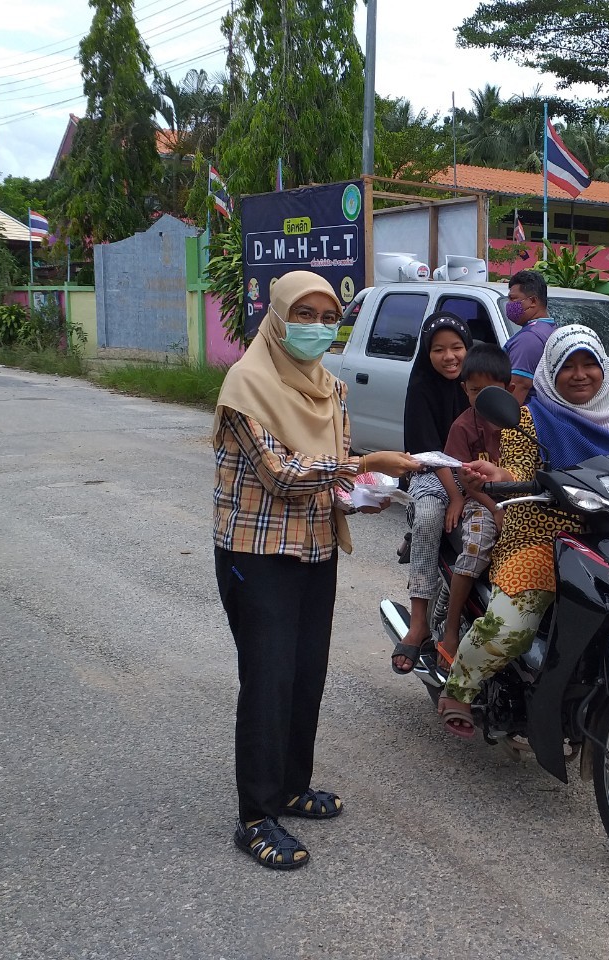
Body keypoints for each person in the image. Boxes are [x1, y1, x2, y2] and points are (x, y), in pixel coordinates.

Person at [213, 270, 418, 870]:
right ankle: (254, 815)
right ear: (277, 316)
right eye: (303, 314)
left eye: (328, 316)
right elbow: (282, 473)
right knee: (268, 678)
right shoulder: (246, 384)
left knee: (307, 672)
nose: (317, 327)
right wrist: (365, 462)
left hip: (316, 548)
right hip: (258, 553)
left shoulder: (328, 386)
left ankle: (290, 786)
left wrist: (363, 489)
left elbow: (328, 477)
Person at [438, 325, 609, 737]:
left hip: (607, 535)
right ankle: (458, 687)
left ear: (604, 370)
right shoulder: (529, 418)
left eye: (590, 364)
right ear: (551, 371)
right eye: (568, 366)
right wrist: (499, 476)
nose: (580, 375)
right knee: (509, 629)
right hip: (538, 533)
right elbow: (516, 469)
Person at [391, 312, 473, 673]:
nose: (449, 356)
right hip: (429, 470)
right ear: (427, 354)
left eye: (457, 347)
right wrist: (454, 494)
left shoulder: (479, 384)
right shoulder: (421, 387)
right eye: (438, 349)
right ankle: (419, 622)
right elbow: (426, 450)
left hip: (476, 471)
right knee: (428, 517)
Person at [434, 343, 513, 667]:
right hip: (480, 502)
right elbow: (465, 481)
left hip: (520, 499)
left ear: (507, 390)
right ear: (464, 389)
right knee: (478, 546)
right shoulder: (463, 427)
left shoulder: (521, 422)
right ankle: (451, 631)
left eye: (490, 391)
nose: (482, 399)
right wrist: (494, 508)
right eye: (474, 391)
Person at [503, 269, 555, 404]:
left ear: (532, 301)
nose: (509, 304)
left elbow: (517, 389)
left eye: (513, 299)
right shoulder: (549, 329)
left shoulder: (528, 339)